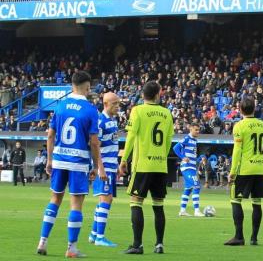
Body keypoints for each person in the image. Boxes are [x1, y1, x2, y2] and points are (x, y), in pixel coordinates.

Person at [36, 71, 107, 257]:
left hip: (59, 159)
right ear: (87, 86)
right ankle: (71, 248)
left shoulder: (60, 106)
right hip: (78, 162)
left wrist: (49, 160)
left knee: (55, 200)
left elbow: (50, 135)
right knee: (76, 205)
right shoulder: (91, 110)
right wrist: (95, 165)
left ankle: (42, 242)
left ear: (71, 86)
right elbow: (93, 142)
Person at [119, 81, 174, 254]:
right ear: (158, 94)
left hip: (142, 165)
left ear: (143, 95)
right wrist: (162, 158)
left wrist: (124, 159)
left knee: (136, 203)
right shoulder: (167, 113)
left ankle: (137, 245)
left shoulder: (137, 111)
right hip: (160, 165)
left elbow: (131, 136)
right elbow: (168, 141)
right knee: (158, 205)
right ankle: (159, 244)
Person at [225, 97, 263, 246]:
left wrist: (232, 172)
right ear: (254, 109)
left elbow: (237, 151)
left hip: (244, 170)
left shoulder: (239, 126)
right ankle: (254, 238)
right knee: (256, 203)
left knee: (235, 200)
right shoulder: (261, 124)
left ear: (240, 110)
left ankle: (239, 237)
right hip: (259, 169)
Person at [89, 92, 121, 247]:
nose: (118, 106)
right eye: (115, 103)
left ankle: (94, 234)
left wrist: (118, 165)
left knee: (105, 199)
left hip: (111, 165)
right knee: (106, 199)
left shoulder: (113, 120)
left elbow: (112, 145)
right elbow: (96, 147)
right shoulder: (100, 122)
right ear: (106, 104)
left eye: (118, 103)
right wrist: (100, 168)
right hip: (105, 167)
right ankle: (100, 238)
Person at [173, 124, 204, 217]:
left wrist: (200, 159)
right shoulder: (186, 139)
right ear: (190, 129)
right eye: (196, 130)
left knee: (188, 189)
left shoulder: (194, 140)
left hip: (192, 167)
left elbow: (192, 156)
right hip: (187, 167)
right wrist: (183, 157)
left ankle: (182, 210)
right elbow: (175, 148)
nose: (198, 131)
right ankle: (197, 211)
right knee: (197, 186)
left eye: (198, 130)